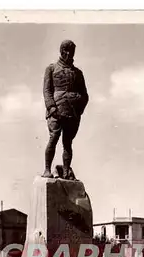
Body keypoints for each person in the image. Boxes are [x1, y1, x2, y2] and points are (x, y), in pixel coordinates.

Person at [42, 40, 89, 179]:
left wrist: (78, 109)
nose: (69, 54)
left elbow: (85, 95)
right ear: (62, 52)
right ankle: (47, 169)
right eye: (66, 51)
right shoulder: (51, 69)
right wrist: (51, 107)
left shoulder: (78, 73)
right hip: (56, 111)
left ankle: (67, 171)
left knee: (68, 143)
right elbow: (47, 90)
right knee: (54, 138)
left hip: (72, 113)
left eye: (72, 51)